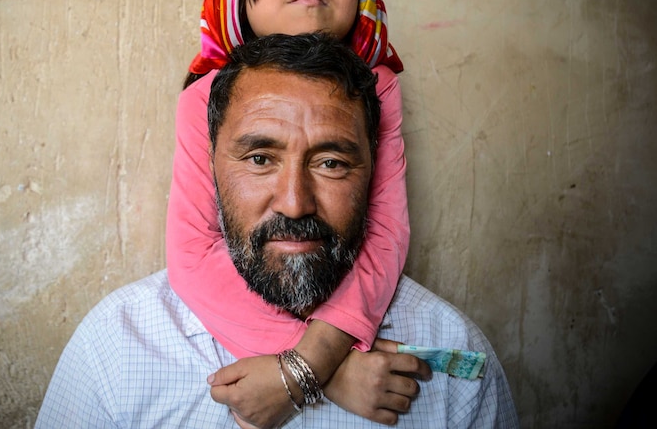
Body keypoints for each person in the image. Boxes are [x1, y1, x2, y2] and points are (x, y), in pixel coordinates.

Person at [34, 33, 519, 428]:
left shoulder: (454, 360)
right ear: (210, 170)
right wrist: (319, 372)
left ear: (376, 173)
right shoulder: (117, 347)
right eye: (261, 159)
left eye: (331, 163)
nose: (294, 201)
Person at [167, 0, 411, 426]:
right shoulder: (205, 98)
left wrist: (311, 361)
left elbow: (385, 233)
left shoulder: (378, 88)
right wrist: (327, 371)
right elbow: (191, 253)